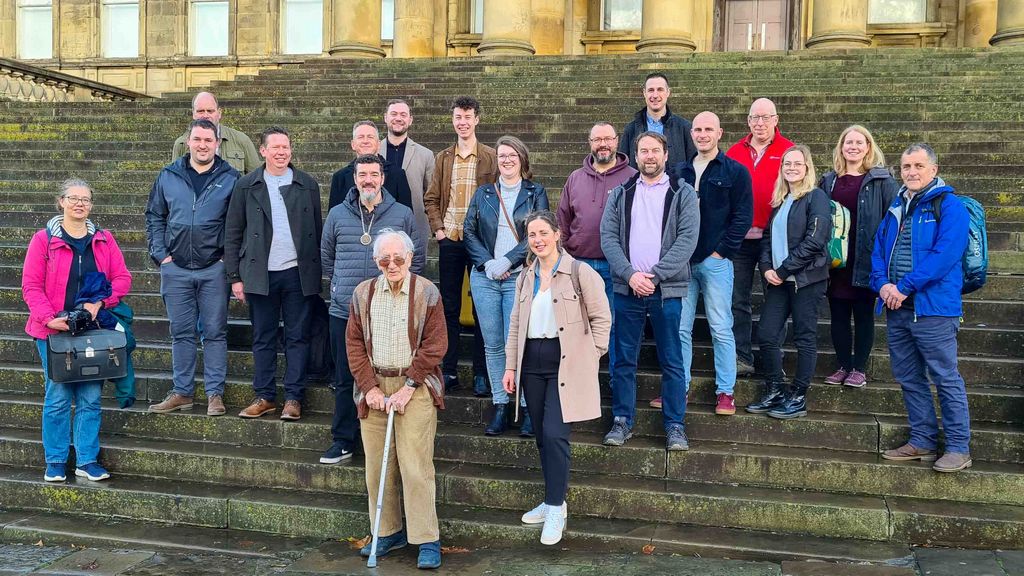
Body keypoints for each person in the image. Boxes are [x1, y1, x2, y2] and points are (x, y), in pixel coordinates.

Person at [502, 211, 611, 546]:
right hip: (531, 362)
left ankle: (555, 508)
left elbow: (601, 319)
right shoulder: (526, 276)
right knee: (540, 436)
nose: (537, 240)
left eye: (543, 233)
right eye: (532, 235)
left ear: (557, 233)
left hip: (565, 364)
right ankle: (553, 499)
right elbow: (516, 323)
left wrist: (589, 356)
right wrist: (510, 367)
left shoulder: (580, 272)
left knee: (555, 435)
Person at [347, 230, 447, 570]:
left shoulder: (426, 292)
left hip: (414, 385)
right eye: (384, 260)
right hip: (375, 385)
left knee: (416, 466)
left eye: (399, 259)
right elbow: (354, 345)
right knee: (377, 466)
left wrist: (409, 385)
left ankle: (427, 537)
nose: (392, 265)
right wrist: (369, 387)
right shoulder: (363, 293)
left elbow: (436, 344)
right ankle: (386, 531)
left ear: (410, 258)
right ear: (376, 261)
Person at [22, 178, 132, 482]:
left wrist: (101, 302)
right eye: (73, 198)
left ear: (91, 204)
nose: (79, 203)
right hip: (53, 330)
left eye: (85, 199)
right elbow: (31, 286)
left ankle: (86, 459)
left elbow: (122, 278)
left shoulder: (104, 239)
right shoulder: (43, 240)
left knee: (90, 397)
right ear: (61, 202)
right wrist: (48, 318)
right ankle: (56, 460)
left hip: (92, 330)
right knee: (57, 395)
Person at [872, 143, 972, 473]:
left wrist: (903, 286)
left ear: (933, 169)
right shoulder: (896, 207)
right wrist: (883, 284)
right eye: (906, 167)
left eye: (918, 166)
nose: (911, 172)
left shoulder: (950, 206)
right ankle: (923, 440)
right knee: (909, 378)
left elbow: (944, 257)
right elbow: (878, 251)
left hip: (933, 310)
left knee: (945, 377)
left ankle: (958, 447)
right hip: (898, 308)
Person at [319, 153, 425, 464]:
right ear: (354, 179)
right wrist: (340, 287)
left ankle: (377, 441)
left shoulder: (402, 213)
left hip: (388, 311)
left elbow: (414, 259)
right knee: (345, 377)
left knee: (380, 375)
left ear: (382, 178)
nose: (368, 179)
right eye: (362, 174)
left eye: (374, 174)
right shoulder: (338, 214)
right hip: (345, 309)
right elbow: (327, 257)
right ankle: (343, 439)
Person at [600, 131, 699, 450]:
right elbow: (608, 239)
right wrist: (630, 275)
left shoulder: (682, 193)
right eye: (643, 151)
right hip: (626, 289)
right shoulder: (621, 193)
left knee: (672, 360)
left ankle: (674, 425)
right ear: (636, 154)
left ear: (666, 155)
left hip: (667, 290)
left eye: (655, 150)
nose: (649, 156)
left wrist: (653, 277)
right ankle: (622, 420)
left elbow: (687, 241)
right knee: (624, 359)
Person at [224, 126, 323, 420]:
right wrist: (234, 277)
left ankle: (294, 397)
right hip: (259, 274)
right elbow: (233, 232)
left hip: (297, 272)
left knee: (297, 336)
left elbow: (316, 231)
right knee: (263, 337)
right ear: (263, 151)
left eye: (286, 147)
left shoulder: (307, 184)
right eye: (275, 147)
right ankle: (265, 396)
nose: (281, 152)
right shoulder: (246, 185)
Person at [146, 119, 240, 417]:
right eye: (197, 139)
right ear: (188, 142)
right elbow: (155, 216)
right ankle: (182, 392)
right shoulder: (168, 175)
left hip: (214, 268)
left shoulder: (231, 178)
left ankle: (215, 394)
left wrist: (226, 259)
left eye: (208, 140)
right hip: (176, 269)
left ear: (217, 143)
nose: (202, 145)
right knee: (181, 332)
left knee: (214, 332)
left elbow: (237, 224)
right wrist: (161, 255)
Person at [464, 135, 550, 436]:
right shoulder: (484, 193)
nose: (507, 160)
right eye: (502, 156)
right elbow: (469, 231)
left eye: (512, 155)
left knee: (520, 342)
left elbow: (538, 233)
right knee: (493, 343)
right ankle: (501, 404)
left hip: (519, 277)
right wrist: (488, 263)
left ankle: (525, 406)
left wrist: (509, 261)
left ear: (522, 159)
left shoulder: (535, 192)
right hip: (486, 277)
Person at [672, 111, 752, 416]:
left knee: (721, 327)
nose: (703, 134)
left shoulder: (735, 171)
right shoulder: (679, 171)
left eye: (709, 129)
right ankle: (680, 388)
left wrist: (722, 251)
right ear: (691, 134)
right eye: (698, 129)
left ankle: (725, 392)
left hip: (715, 262)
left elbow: (742, 215)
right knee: (680, 328)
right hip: (682, 263)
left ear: (719, 133)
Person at [746, 145, 830, 420]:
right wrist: (768, 267)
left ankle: (798, 394)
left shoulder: (815, 197)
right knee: (767, 333)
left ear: (807, 167)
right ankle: (775, 388)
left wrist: (783, 270)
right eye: (787, 164)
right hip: (780, 281)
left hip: (806, 280)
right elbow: (768, 238)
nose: (791, 168)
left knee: (805, 337)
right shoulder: (781, 200)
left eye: (797, 163)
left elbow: (815, 241)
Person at [422, 96, 497, 396]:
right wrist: (438, 230)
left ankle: (481, 372)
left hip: (481, 243)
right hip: (450, 239)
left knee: (482, 308)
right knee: (449, 307)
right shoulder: (443, 158)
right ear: (452, 120)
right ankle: (449, 369)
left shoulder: (490, 157)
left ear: (477, 119)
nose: (463, 122)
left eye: (467, 117)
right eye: (458, 117)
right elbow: (431, 198)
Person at [556, 122, 636, 380]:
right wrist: (565, 257)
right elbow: (562, 220)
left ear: (617, 141)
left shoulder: (632, 178)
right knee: (576, 326)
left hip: (617, 268)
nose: (603, 144)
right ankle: (580, 379)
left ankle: (615, 380)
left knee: (613, 326)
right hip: (580, 263)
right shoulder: (575, 178)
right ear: (590, 143)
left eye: (608, 139)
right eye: (597, 139)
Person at [819, 125, 898, 388]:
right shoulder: (829, 180)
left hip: (866, 257)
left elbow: (893, 221)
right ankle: (843, 365)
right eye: (848, 142)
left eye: (859, 143)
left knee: (863, 315)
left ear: (868, 147)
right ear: (841, 147)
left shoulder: (882, 180)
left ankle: (859, 368)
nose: (853, 147)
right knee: (838, 314)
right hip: (836, 260)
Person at [726, 98, 794, 376]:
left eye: (766, 117)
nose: (760, 123)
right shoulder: (734, 151)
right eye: (755, 117)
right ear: (748, 120)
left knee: (776, 299)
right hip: (739, 240)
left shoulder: (789, 150)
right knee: (736, 299)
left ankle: (771, 357)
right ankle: (742, 356)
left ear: (776, 120)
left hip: (774, 240)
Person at [379, 99, 435, 241]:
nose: (398, 118)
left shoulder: (426, 155)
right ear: (386, 117)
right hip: (378, 223)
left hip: (414, 225)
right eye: (394, 114)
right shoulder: (373, 152)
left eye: (403, 115)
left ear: (410, 120)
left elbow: (431, 195)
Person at [618, 73, 696, 171]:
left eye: (660, 89)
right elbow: (622, 167)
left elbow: (693, 164)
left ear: (668, 92)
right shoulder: (631, 129)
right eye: (651, 90)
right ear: (644, 93)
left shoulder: (684, 127)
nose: (655, 95)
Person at [171, 91, 260, 174]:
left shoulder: (241, 140)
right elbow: (175, 180)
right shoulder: (181, 144)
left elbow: (257, 179)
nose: (205, 116)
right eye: (200, 111)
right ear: (193, 113)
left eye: (210, 111)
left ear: (219, 113)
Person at [328, 121, 387, 211]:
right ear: (353, 144)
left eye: (370, 137)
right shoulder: (339, 177)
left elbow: (404, 217)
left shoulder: (398, 174)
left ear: (379, 144)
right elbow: (334, 218)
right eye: (360, 137)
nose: (365, 141)